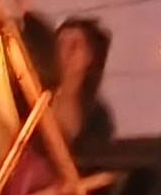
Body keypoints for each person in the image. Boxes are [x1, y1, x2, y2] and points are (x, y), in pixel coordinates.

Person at [47, 20, 118, 159]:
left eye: (75, 45)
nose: (65, 51)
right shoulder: (32, 98)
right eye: (60, 44)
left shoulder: (98, 118)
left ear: (90, 57)